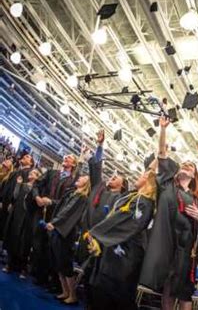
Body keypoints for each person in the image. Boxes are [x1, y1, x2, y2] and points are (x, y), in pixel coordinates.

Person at [139, 116, 198, 310]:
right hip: (167, 247)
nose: (187, 165)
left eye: (191, 165)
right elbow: (161, 154)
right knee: (168, 291)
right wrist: (163, 130)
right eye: (184, 164)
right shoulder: (167, 186)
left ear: (195, 175)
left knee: (185, 291)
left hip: (188, 252)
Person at [86, 167, 156, 310]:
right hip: (113, 248)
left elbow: (124, 224)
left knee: (118, 296)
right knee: (103, 291)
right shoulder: (134, 196)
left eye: (144, 175)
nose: (139, 176)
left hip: (125, 254)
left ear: (150, 182)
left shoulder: (145, 202)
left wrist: (98, 234)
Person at [78, 130, 128, 305]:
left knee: (97, 280)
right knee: (85, 276)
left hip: (103, 243)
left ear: (123, 186)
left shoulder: (121, 199)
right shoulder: (99, 189)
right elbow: (96, 167)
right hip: (87, 236)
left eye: (116, 178)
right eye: (112, 176)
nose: (111, 178)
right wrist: (99, 145)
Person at [31, 153, 78, 286]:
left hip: (58, 219)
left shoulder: (74, 181)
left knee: (52, 250)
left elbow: (69, 203)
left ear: (74, 164)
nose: (66, 158)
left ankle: (52, 282)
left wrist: (52, 202)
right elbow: (36, 185)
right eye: (66, 156)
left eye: (70, 158)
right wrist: (37, 198)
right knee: (38, 245)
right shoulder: (51, 173)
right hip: (42, 214)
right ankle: (38, 276)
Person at [47, 172, 90, 305]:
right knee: (59, 263)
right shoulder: (73, 193)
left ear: (87, 183)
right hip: (59, 230)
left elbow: (67, 211)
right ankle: (65, 291)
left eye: (83, 177)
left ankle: (73, 295)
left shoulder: (82, 197)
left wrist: (54, 222)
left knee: (65, 264)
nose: (80, 177)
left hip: (66, 232)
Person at [2, 168, 42, 277]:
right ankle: (9, 264)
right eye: (30, 172)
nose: (30, 174)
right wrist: (18, 185)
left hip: (28, 218)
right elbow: (15, 196)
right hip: (17, 214)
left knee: (24, 243)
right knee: (13, 238)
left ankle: (22, 268)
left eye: (34, 173)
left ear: (38, 177)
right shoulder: (22, 184)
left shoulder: (37, 189)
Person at [0, 153, 34, 240]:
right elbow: (7, 187)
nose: (24, 156)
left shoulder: (28, 173)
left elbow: (22, 191)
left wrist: (13, 202)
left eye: (27, 157)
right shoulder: (16, 171)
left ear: (31, 163)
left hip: (12, 205)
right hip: (4, 202)